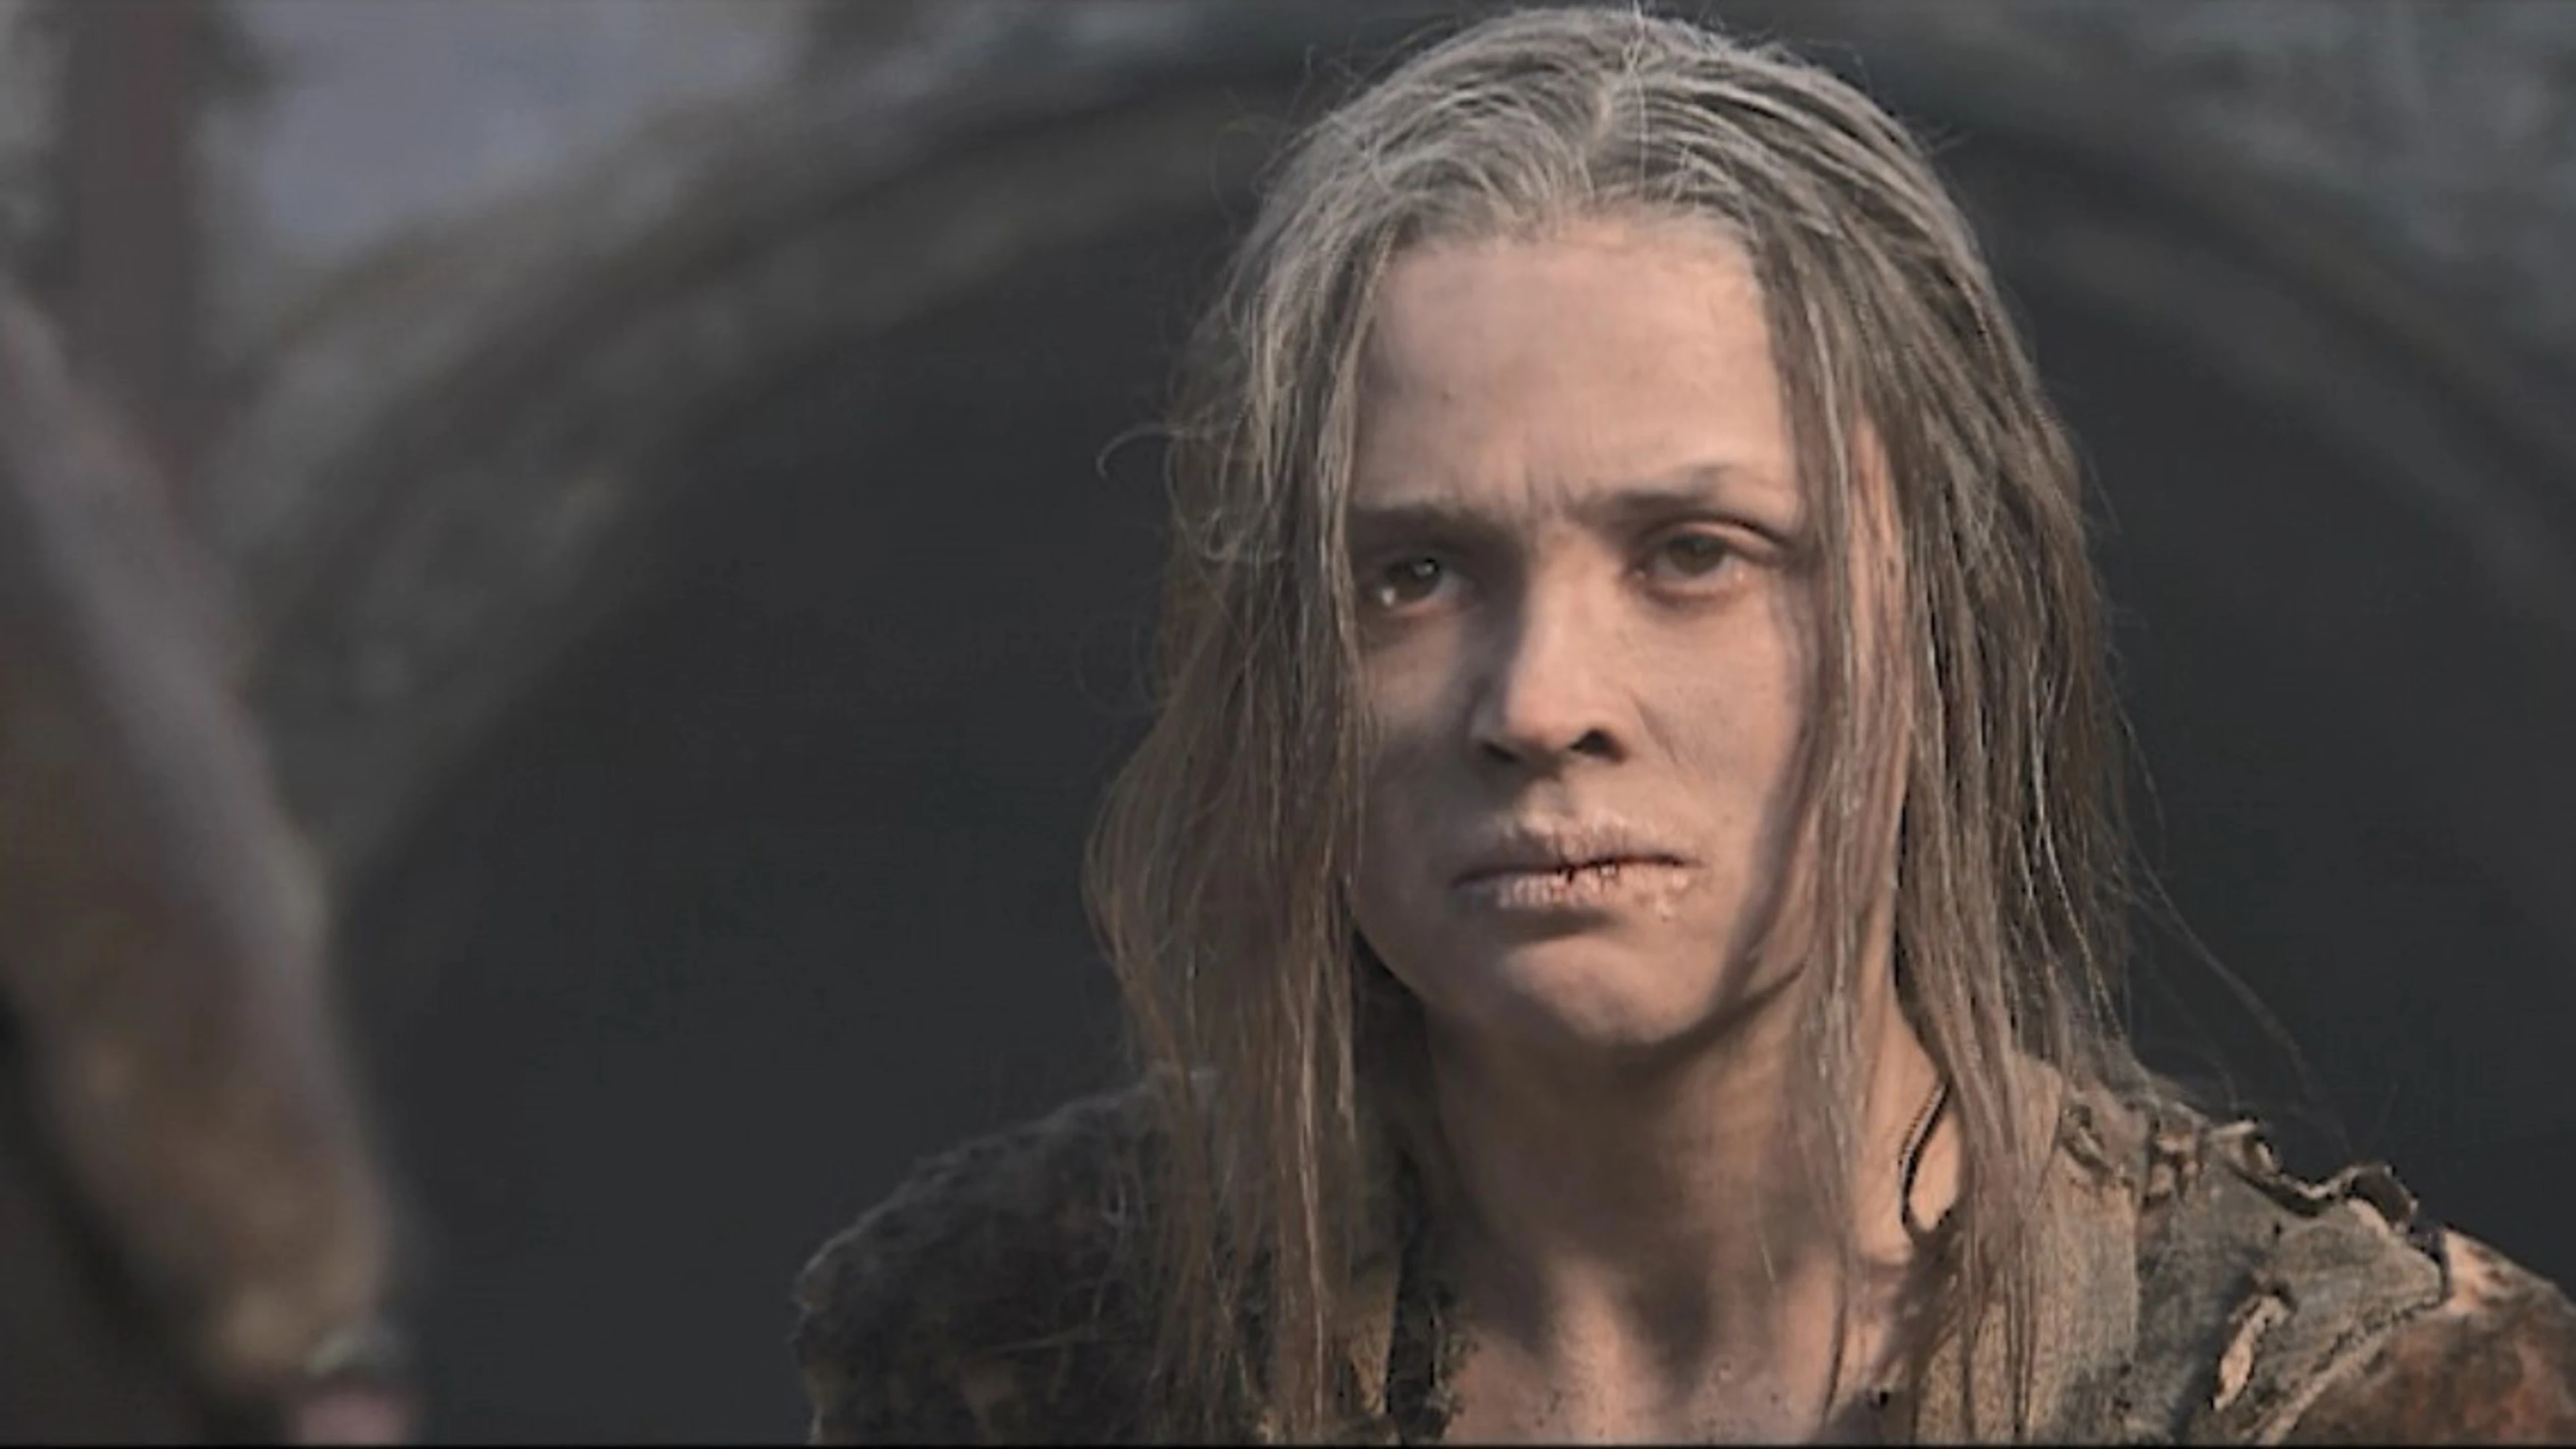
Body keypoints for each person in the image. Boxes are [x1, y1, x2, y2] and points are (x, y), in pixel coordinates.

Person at [792, 7, 2576, 1442]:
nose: (1540, 705)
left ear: (1936, 622)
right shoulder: (1022, 1345)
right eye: (1415, 575)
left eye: (1696, 555)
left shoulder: (2376, 1406)